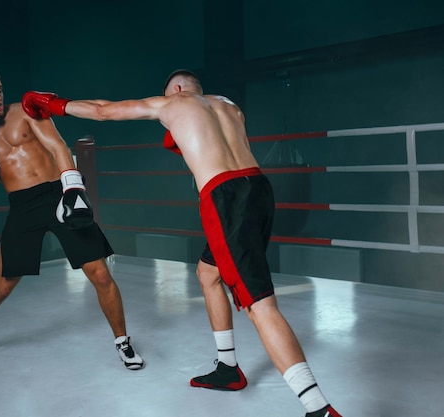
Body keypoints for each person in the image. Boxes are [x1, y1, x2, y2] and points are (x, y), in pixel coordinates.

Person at [20, 70, 342, 417]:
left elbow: (102, 110)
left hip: (225, 197)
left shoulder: (170, 103)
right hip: (259, 189)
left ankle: (318, 409)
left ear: (175, 89)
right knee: (208, 274)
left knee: (259, 303)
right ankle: (227, 368)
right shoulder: (229, 107)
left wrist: (52, 105)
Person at [0, 67, 144, 371]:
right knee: (3, 286)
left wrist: (72, 187)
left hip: (57, 193)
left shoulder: (24, 111)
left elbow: (58, 146)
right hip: (22, 205)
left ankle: (122, 342)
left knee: (99, 273)